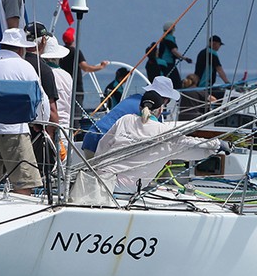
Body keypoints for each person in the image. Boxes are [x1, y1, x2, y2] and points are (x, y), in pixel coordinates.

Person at [93, 89, 229, 189]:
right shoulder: (164, 132)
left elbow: (103, 145)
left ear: (140, 107)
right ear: (160, 110)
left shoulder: (125, 120)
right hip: (124, 189)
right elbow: (189, 144)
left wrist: (96, 169)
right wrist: (217, 145)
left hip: (101, 179)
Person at [0, 28, 50, 195]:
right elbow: (41, 101)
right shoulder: (24, 66)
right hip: (14, 131)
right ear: (21, 49)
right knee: (23, 183)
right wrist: (40, 123)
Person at [81, 76, 179, 157]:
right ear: (164, 99)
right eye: (168, 100)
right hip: (106, 144)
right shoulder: (151, 113)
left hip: (91, 137)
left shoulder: (134, 97)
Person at [23, 23, 61, 177]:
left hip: (13, 131)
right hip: (37, 136)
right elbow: (52, 113)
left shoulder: (18, 63)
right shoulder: (43, 70)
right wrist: (53, 136)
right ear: (44, 41)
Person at [59, 28, 109, 128]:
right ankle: (74, 134)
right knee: (76, 115)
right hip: (76, 88)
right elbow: (86, 68)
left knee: (65, 112)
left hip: (64, 86)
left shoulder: (61, 52)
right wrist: (101, 66)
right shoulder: (75, 52)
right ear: (73, 38)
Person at [156, 22, 190, 89]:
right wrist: (184, 58)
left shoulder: (163, 38)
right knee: (176, 83)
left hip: (165, 64)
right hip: (168, 64)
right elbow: (174, 51)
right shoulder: (169, 39)